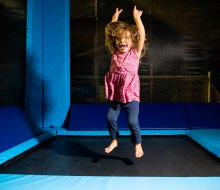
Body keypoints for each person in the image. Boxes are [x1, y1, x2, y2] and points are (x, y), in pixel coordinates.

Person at [104, 6, 148, 158]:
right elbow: (111, 32)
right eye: (119, 39)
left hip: (131, 95)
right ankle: (114, 140)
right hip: (117, 94)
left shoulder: (135, 53)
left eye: (126, 38)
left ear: (132, 41)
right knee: (110, 118)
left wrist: (137, 18)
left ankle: (138, 144)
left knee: (132, 122)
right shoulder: (114, 53)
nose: (122, 41)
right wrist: (114, 19)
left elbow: (141, 34)